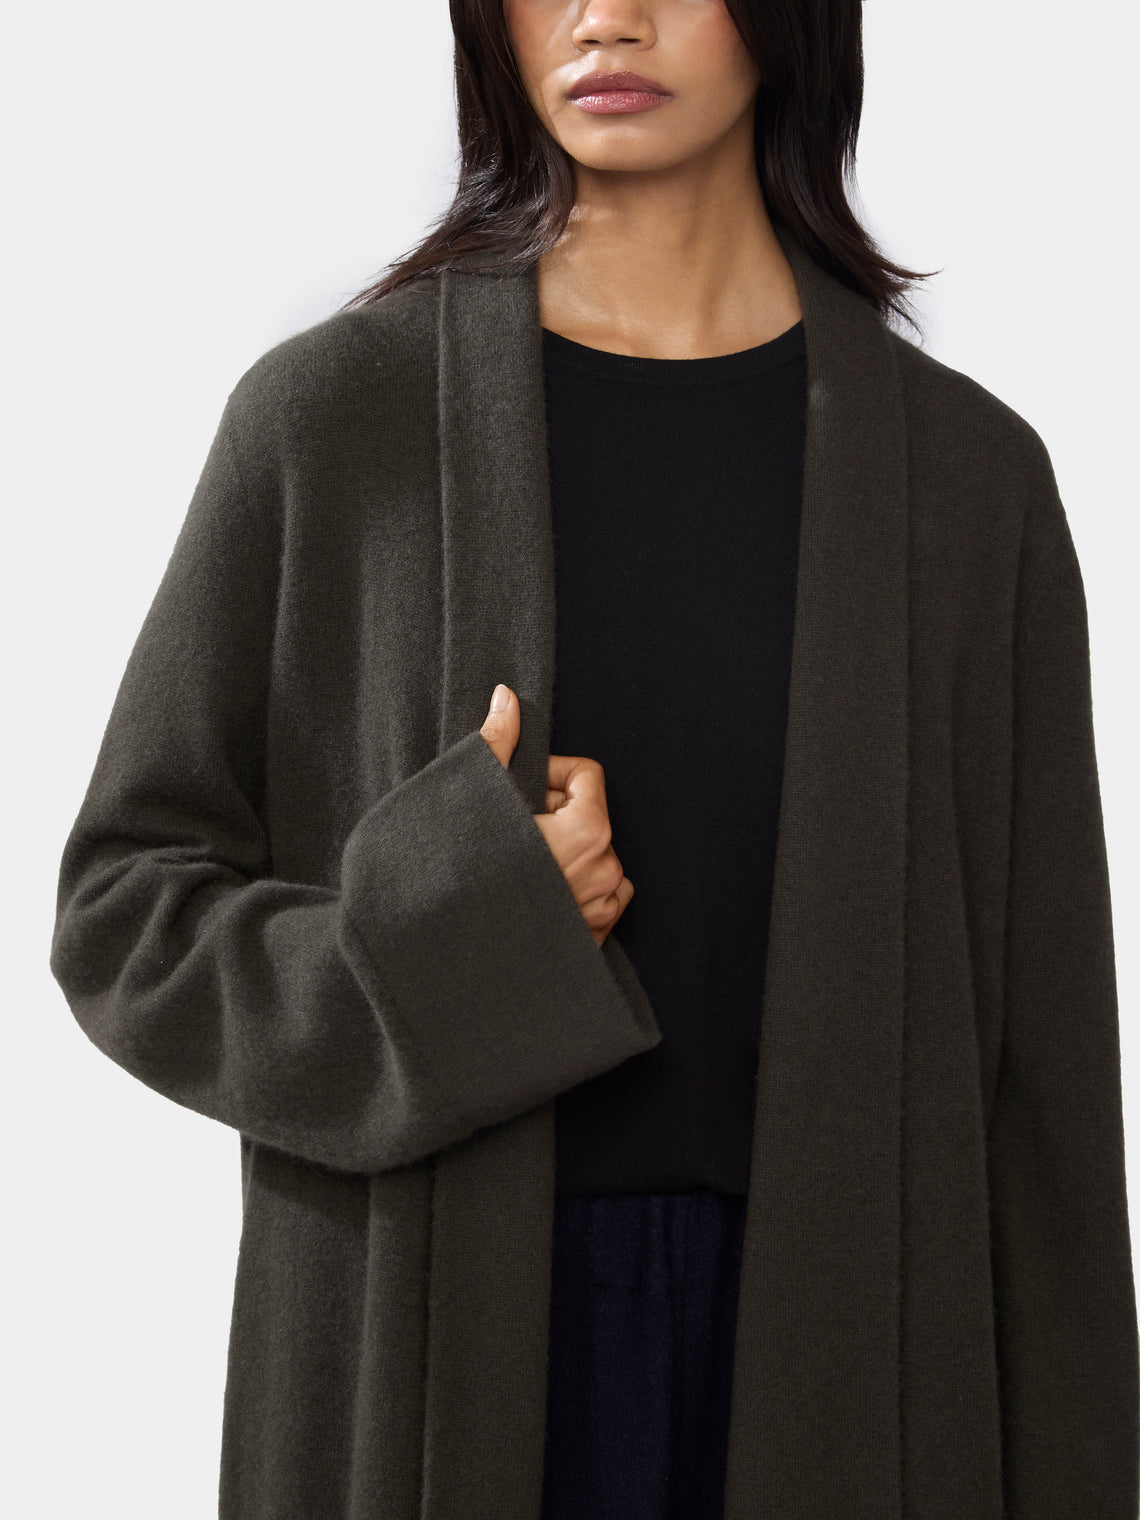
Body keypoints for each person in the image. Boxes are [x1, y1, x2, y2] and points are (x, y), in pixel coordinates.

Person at [50, 2, 1139, 1517]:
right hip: (428, 1366)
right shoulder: (331, 427)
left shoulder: (969, 484)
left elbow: (1047, 1093)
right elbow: (125, 915)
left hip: (854, 1372)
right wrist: (462, 933)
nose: (603, 16)